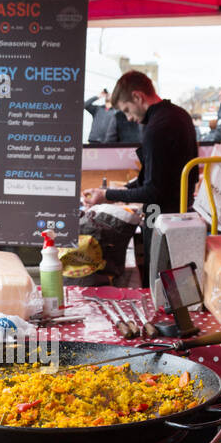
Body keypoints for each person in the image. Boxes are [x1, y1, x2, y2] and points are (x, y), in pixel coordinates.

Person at [80, 71, 198, 287]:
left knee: (160, 287)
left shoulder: (157, 128)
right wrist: (122, 188)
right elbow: (156, 177)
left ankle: (161, 319)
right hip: (183, 217)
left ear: (137, 97)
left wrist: (107, 195)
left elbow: (152, 191)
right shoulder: (180, 115)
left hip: (162, 221)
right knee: (180, 288)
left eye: (127, 110)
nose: (129, 118)